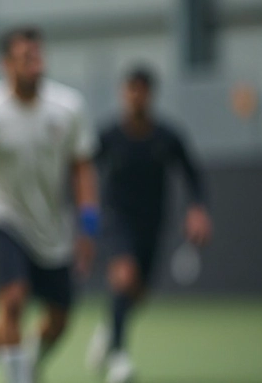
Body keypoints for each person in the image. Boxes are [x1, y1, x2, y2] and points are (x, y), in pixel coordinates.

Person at [0, 27, 99, 383]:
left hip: (52, 228)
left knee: (59, 321)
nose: (36, 65)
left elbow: (82, 165)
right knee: (13, 302)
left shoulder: (69, 107)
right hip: (2, 217)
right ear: (6, 64)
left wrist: (88, 218)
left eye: (39, 56)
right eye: (26, 58)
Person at [85, 65, 211, 383]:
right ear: (122, 93)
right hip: (116, 220)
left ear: (150, 94)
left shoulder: (167, 136)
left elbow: (192, 174)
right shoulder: (108, 136)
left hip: (153, 223)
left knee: (138, 293)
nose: (136, 96)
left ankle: (109, 329)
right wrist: (84, 212)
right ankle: (118, 357)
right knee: (124, 276)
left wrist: (197, 209)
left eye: (142, 90)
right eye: (130, 89)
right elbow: (82, 172)